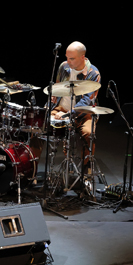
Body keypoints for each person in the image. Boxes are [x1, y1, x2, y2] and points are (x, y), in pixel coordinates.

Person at [50, 41, 101, 170]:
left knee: (89, 133)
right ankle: (30, 169)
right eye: (67, 57)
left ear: (82, 57)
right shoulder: (63, 66)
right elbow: (57, 86)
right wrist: (52, 99)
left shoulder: (93, 73)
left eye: (72, 58)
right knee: (38, 124)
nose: (68, 61)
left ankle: (86, 170)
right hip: (61, 109)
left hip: (84, 112)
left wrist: (68, 114)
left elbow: (87, 101)